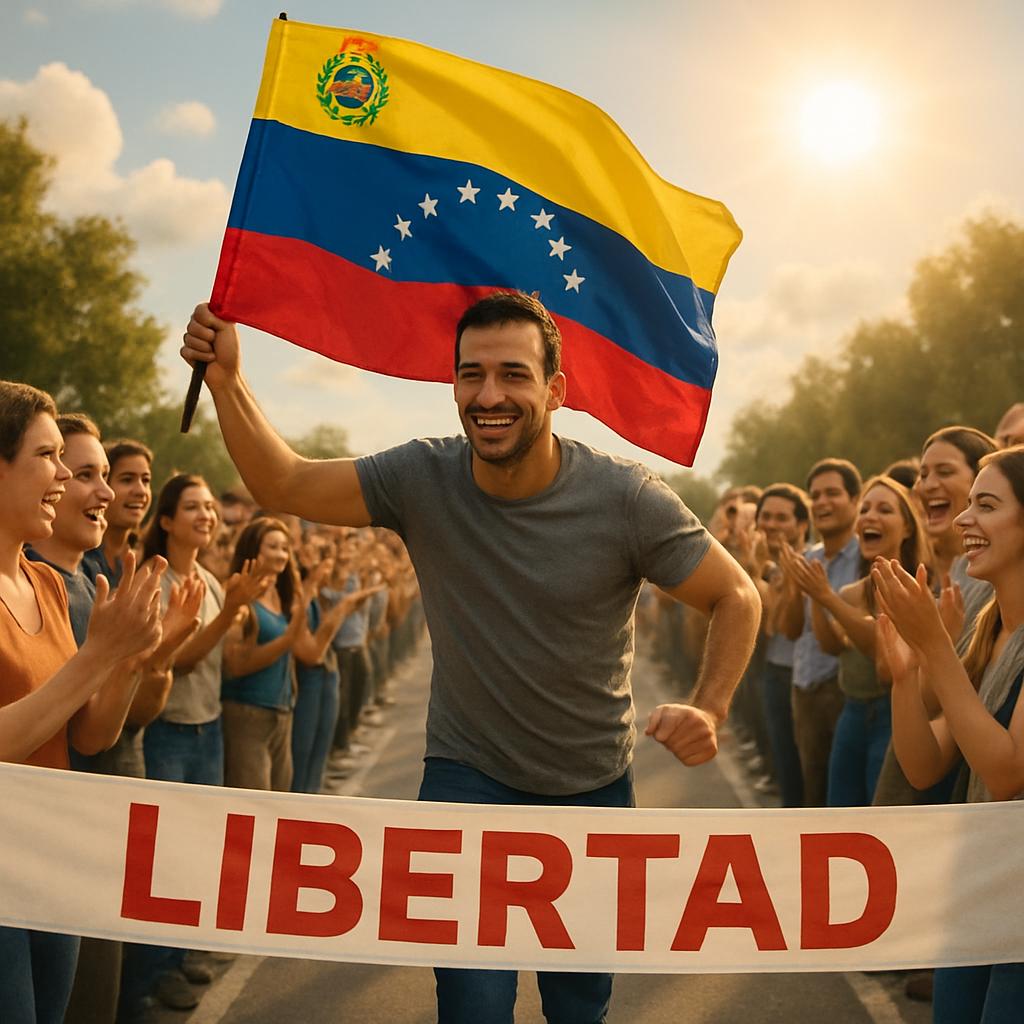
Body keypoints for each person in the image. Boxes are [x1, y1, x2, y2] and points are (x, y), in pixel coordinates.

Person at [181, 290, 761, 1023]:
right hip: (467, 779)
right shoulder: (421, 477)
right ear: (453, 383)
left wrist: (710, 705)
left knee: (579, 1007)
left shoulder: (627, 498)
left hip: (592, 786)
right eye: (471, 375)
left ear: (555, 390)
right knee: (472, 1004)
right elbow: (284, 482)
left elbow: (737, 595)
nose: (490, 395)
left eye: (514, 375)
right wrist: (228, 380)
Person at [0, 381, 164, 1024]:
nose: (64, 476)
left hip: (52, 857)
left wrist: (130, 656)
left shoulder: (42, 580)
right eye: (48, 456)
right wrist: (99, 658)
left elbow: (90, 736)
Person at [875, 445, 1024, 1024]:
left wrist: (935, 645)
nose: (964, 520)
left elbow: (1007, 769)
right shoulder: (992, 629)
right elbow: (924, 764)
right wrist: (905, 673)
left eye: (985, 506)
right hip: (982, 893)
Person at [786, 476, 930, 806]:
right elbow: (832, 645)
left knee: (884, 815)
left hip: (891, 716)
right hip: (851, 713)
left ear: (907, 528)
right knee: (840, 812)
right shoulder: (853, 591)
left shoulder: (920, 589)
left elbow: (884, 661)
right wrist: (816, 598)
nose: (869, 517)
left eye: (884, 509)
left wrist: (826, 597)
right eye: (865, 509)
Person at [221, 516, 350, 791]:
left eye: (284, 548)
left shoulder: (281, 595)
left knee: (278, 805)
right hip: (249, 715)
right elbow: (235, 664)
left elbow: (309, 651)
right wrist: (286, 641)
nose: (281, 554)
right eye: (273, 547)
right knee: (253, 806)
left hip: (282, 713)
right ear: (253, 550)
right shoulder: (237, 594)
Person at [777, 458, 862, 806]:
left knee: (844, 796)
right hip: (805, 689)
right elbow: (790, 629)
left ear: (856, 500)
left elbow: (841, 643)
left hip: (843, 691)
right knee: (811, 789)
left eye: (833, 493)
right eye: (815, 496)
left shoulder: (865, 558)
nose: (822, 503)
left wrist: (819, 594)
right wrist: (796, 587)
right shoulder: (808, 557)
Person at [749, 483, 812, 807]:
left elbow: (781, 626)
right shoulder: (762, 565)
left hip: (810, 682)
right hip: (774, 672)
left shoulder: (815, 562)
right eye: (766, 517)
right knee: (785, 765)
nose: (771, 524)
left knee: (812, 777)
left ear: (802, 525)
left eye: (782, 518)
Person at [82, 439, 153, 589]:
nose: (141, 491)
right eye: (127, 480)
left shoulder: (149, 557)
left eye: (145, 480)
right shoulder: (79, 556)